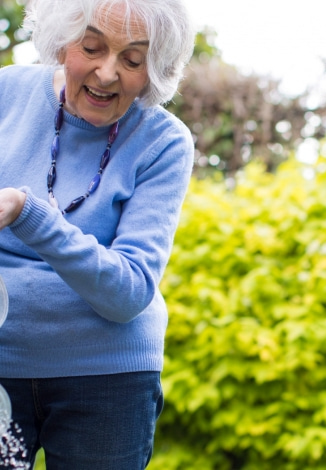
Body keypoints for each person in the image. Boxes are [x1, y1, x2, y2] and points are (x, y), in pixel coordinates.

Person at [0, 0, 195, 468]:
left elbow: (128, 292)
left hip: (108, 378)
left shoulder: (163, 142)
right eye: (92, 47)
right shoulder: (7, 93)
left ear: (155, 69)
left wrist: (31, 215)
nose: (107, 74)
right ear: (63, 40)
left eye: (133, 60)